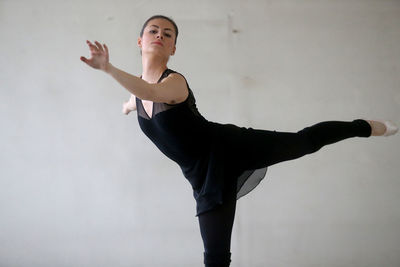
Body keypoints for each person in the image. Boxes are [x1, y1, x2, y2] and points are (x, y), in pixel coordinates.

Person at [80, 15, 398, 267]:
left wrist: (107, 68)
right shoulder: (136, 95)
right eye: (153, 31)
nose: (160, 35)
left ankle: (364, 127)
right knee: (216, 258)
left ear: (174, 47)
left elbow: (149, 93)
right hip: (203, 178)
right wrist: (126, 106)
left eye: (168, 33)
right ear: (140, 41)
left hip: (228, 146)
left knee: (305, 142)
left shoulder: (174, 82)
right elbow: (137, 98)